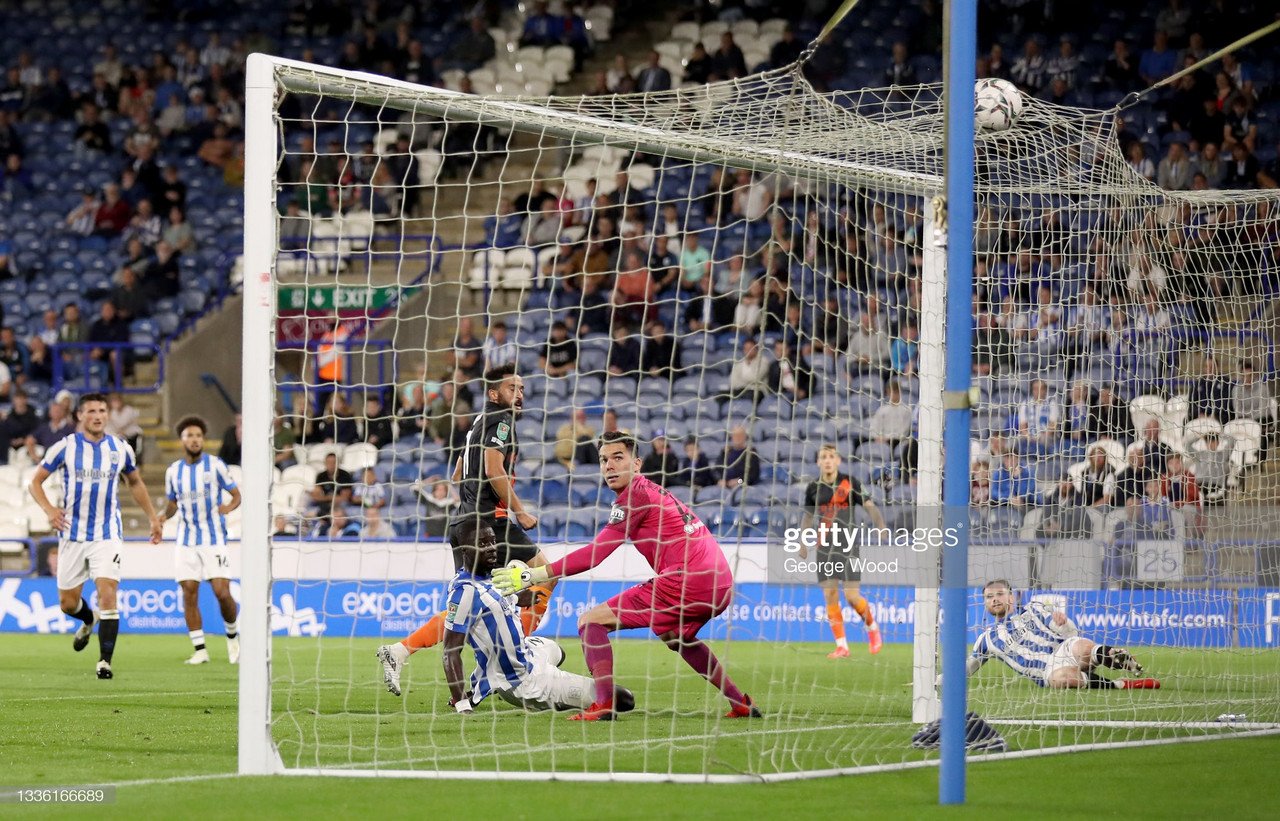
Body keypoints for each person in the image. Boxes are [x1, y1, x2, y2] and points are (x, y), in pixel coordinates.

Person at [494, 431, 761, 721]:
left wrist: (536, 574)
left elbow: (596, 554)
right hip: (720, 583)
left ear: (637, 464)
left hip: (689, 579)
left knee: (590, 622)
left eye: (617, 458)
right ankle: (740, 702)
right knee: (676, 636)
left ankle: (604, 704)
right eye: (603, 460)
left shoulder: (634, 495)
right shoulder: (651, 491)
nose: (609, 465)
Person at [377, 365, 555, 679]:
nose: (519, 394)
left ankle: (400, 650)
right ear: (494, 393)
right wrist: (520, 511)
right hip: (491, 524)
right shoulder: (501, 421)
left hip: (465, 523)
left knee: (471, 602)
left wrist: (469, 489)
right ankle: (519, 657)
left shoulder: (477, 421)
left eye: (522, 389)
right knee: (545, 575)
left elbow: (459, 469)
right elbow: (493, 468)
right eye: (512, 388)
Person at [429, 519, 637, 715]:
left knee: (557, 650)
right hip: (524, 682)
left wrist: (524, 596)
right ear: (465, 550)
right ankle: (551, 692)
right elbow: (450, 652)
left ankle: (498, 680)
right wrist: (461, 704)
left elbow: (499, 600)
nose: (492, 547)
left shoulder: (493, 577)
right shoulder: (465, 592)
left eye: (493, 541)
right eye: (483, 543)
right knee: (623, 698)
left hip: (529, 654)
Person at [30, 392, 163, 679]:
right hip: (72, 534)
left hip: (107, 533)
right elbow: (35, 482)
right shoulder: (64, 448)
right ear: (80, 415)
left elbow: (136, 482)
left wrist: (153, 517)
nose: (98, 415)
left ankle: (105, 662)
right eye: (91, 411)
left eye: (102, 410)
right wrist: (50, 509)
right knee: (68, 604)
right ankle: (88, 621)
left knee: (108, 594)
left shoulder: (119, 448)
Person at [958, 580, 1159, 690]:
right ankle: (1120, 684)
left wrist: (1063, 622)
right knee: (1062, 679)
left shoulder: (1034, 608)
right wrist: (938, 679)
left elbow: (1071, 633)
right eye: (989, 597)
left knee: (1083, 648)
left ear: (1012, 596)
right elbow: (968, 669)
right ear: (984, 603)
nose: (994, 600)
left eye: (999, 594)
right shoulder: (985, 639)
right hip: (1047, 671)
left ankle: (1115, 656)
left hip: (1064, 650)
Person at [163, 415, 241, 665]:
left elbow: (236, 495)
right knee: (189, 592)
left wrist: (228, 509)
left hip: (213, 538)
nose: (195, 440)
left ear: (203, 439)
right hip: (185, 540)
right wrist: (161, 519)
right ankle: (200, 649)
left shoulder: (216, 465)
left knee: (221, 591)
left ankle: (232, 637)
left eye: (198, 436)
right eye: (190, 436)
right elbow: (172, 504)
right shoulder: (173, 471)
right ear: (182, 440)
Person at [800, 444, 886, 658]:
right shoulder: (813, 488)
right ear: (819, 462)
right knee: (830, 595)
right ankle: (842, 646)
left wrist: (881, 526)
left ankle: (872, 628)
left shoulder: (850, 483)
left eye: (831, 456)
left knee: (851, 596)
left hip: (848, 546)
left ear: (838, 460)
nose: (827, 460)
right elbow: (808, 517)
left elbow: (868, 505)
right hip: (824, 548)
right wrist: (802, 542)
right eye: (823, 457)